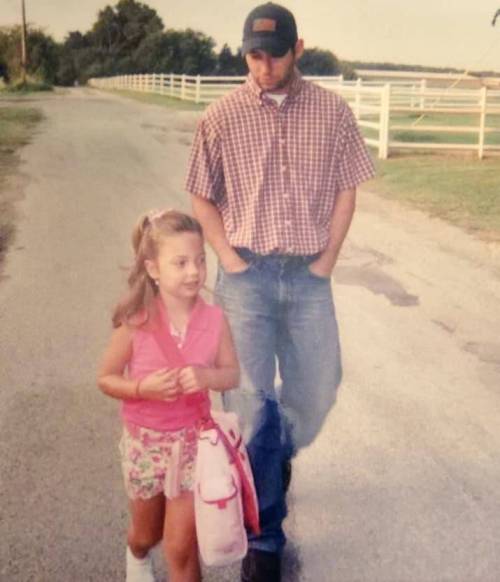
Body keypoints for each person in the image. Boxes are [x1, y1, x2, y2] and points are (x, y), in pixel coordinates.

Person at [185, 3, 376, 580]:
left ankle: (272, 458)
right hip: (246, 278)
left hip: (307, 277)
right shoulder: (220, 117)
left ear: (299, 49)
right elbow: (201, 193)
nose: (264, 66)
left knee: (316, 392)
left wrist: (328, 261)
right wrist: (227, 257)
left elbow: (348, 186)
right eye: (254, 55)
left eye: (275, 54)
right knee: (250, 401)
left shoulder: (332, 111)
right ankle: (264, 537)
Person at [97, 209, 239, 582]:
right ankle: (137, 554)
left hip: (195, 447)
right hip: (145, 445)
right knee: (148, 533)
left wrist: (207, 376)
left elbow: (232, 375)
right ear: (154, 269)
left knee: (180, 547)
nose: (194, 271)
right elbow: (106, 378)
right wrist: (142, 388)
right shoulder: (136, 321)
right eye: (180, 263)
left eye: (199, 260)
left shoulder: (215, 319)